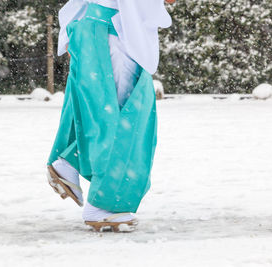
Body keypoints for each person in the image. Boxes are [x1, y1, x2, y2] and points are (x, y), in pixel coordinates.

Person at [46, 0, 175, 232]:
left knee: (98, 110)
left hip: (91, 25)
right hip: (114, 32)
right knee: (124, 117)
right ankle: (104, 205)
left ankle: (68, 162)